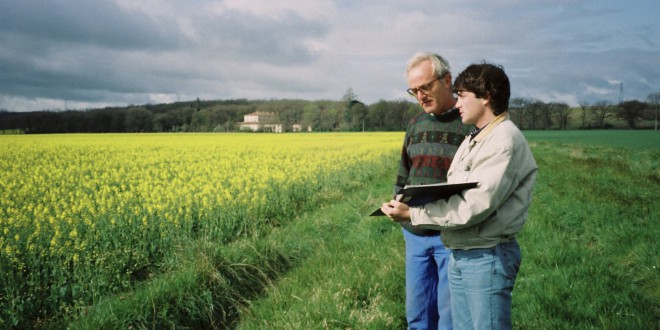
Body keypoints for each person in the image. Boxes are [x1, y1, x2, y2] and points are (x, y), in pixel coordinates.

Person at [382, 62, 538, 330]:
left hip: (486, 255)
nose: (457, 103)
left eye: (463, 96)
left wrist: (414, 213)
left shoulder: (503, 141)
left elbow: (475, 205)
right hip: (464, 250)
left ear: (486, 97)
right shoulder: (477, 136)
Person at [395, 52, 472, 329]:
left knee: (449, 316)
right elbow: (404, 171)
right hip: (414, 234)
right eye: (414, 91)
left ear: (447, 80)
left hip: (449, 235)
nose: (420, 96)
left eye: (425, 87)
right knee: (417, 313)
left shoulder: (469, 126)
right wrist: (396, 201)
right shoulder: (415, 125)